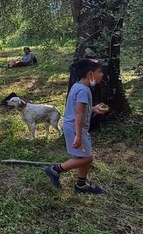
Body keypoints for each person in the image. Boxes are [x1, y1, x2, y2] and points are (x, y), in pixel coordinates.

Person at [44, 59, 109, 194]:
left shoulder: (77, 86)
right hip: (76, 128)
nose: (102, 74)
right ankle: (55, 169)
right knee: (88, 158)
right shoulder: (84, 91)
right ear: (90, 74)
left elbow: (78, 109)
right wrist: (79, 135)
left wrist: (93, 109)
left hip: (73, 126)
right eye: (99, 72)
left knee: (84, 156)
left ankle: (81, 185)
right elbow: (79, 115)